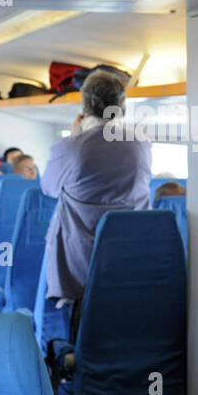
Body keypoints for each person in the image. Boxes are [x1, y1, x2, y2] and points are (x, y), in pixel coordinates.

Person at [41, 71, 150, 319]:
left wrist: (76, 135)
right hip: (133, 255)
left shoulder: (72, 147)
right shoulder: (141, 144)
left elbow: (49, 188)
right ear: (122, 105)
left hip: (82, 262)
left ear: (85, 105)